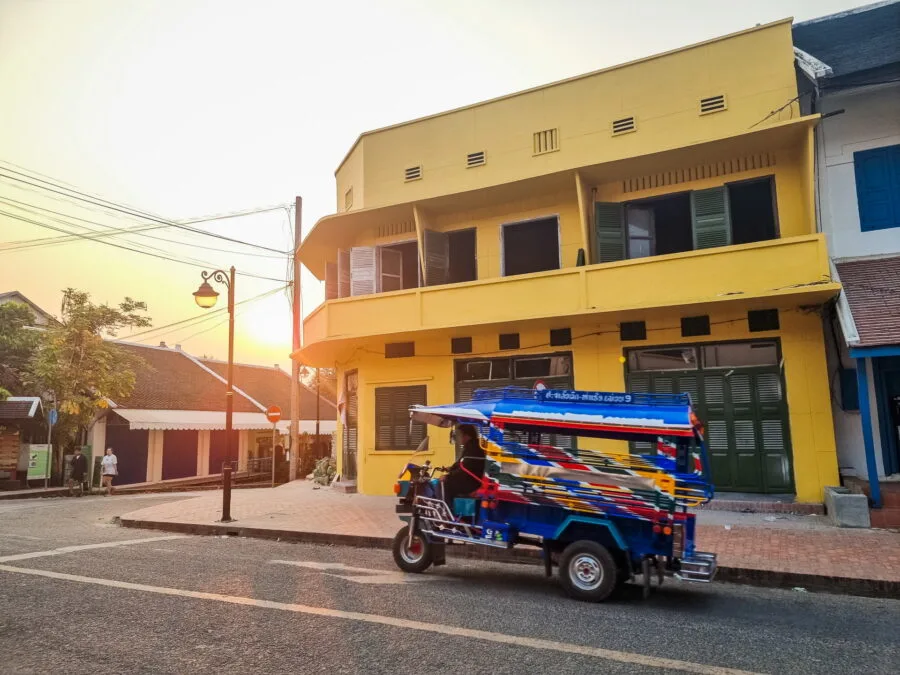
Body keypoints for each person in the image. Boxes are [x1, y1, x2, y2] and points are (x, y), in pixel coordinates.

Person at [441, 424, 486, 511]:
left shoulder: (473, 448)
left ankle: (447, 511)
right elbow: (461, 462)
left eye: (461, 435)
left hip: (472, 482)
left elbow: (465, 468)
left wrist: (448, 476)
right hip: (471, 480)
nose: (460, 438)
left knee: (445, 484)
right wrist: (451, 468)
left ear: (467, 436)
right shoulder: (472, 446)